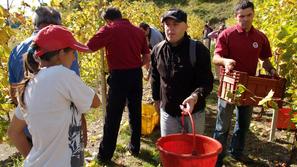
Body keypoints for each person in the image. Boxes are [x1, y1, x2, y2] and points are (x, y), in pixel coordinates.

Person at [7, 24, 101, 166]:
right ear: (61, 54)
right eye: (73, 53)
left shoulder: (31, 84)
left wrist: (34, 159)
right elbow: (96, 102)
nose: (74, 59)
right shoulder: (63, 75)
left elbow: (13, 132)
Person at [212, 1, 277, 166]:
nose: (245, 19)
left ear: (253, 15)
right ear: (236, 17)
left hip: (249, 88)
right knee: (222, 126)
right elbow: (216, 58)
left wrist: (271, 71)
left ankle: (237, 152)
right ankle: (217, 158)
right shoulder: (226, 35)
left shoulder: (260, 37)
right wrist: (226, 61)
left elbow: (265, 60)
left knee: (243, 125)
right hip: (229, 86)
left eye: (249, 15)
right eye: (242, 16)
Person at [86, 7, 150, 162]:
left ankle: (105, 155)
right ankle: (135, 148)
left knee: (113, 116)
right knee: (135, 111)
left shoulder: (110, 29)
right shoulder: (138, 31)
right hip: (135, 75)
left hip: (119, 77)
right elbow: (146, 56)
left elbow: (90, 45)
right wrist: (136, 65)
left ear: (108, 20)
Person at [150, 8, 213, 137]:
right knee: (170, 151)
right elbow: (155, 78)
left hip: (193, 113)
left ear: (186, 26)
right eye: (167, 24)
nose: (170, 28)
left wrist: (195, 97)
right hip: (168, 113)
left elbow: (207, 82)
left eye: (175, 24)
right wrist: (157, 101)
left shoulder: (197, 50)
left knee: (193, 151)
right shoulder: (158, 50)